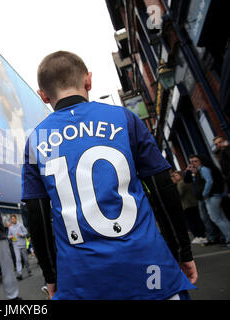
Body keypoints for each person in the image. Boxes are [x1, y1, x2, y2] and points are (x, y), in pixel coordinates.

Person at [21, 51, 197, 300]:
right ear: (88, 81)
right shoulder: (124, 119)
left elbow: (36, 215)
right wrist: (182, 251)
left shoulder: (35, 141)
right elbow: (161, 188)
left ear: (44, 95)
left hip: (82, 279)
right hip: (149, 267)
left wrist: (51, 276)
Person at [185, 154, 230, 248]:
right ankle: (228, 237)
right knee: (221, 218)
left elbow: (209, 181)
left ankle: (228, 238)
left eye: (195, 161)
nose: (193, 163)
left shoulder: (203, 169)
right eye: (191, 162)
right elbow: (189, 181)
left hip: (211, 196)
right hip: (211, 196)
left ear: (200, 160)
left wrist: (205, 194)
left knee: (217, 218)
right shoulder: (197, 171)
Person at [171, 171, 207, 244]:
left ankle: (198, 236)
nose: (174, 177)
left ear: (181, 175)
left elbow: (179, 194)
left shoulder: (181, 183)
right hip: (194, 203)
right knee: (197, 219)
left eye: (176, 175)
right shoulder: (187, 181)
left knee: (192, 222)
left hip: (187, 205)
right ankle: (202, 235)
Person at [8, 214, 32, 280]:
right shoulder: (10, 228)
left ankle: (29, 270)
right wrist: (10, 237)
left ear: (16, 219)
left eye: (13, 219)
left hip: (22, 244)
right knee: (18, 259)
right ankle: (20, 274)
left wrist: (21, 234)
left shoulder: (20, 225)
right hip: (15, 245)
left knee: (25, 259)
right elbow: (8, 236)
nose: (12, 220)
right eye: (11, 219)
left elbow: (26, 232)